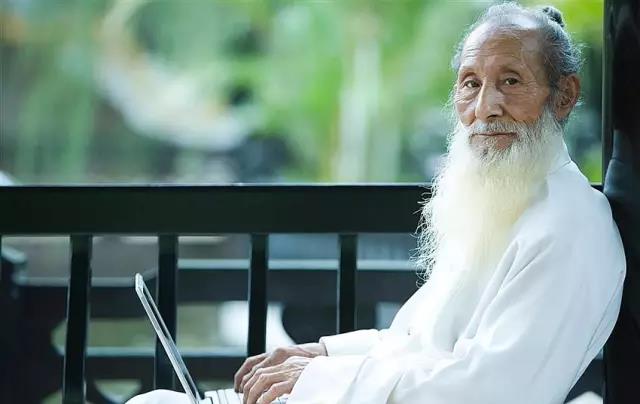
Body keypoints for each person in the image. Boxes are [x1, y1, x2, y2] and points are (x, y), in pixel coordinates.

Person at [128, 2, 626, 404]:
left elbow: (488, 391)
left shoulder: (570, 225)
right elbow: (413, 341)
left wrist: (319, 380)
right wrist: (320, 354)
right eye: (471, 84)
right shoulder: (506, 206)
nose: (484, 107)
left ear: (563, 96)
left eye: (510, 81)